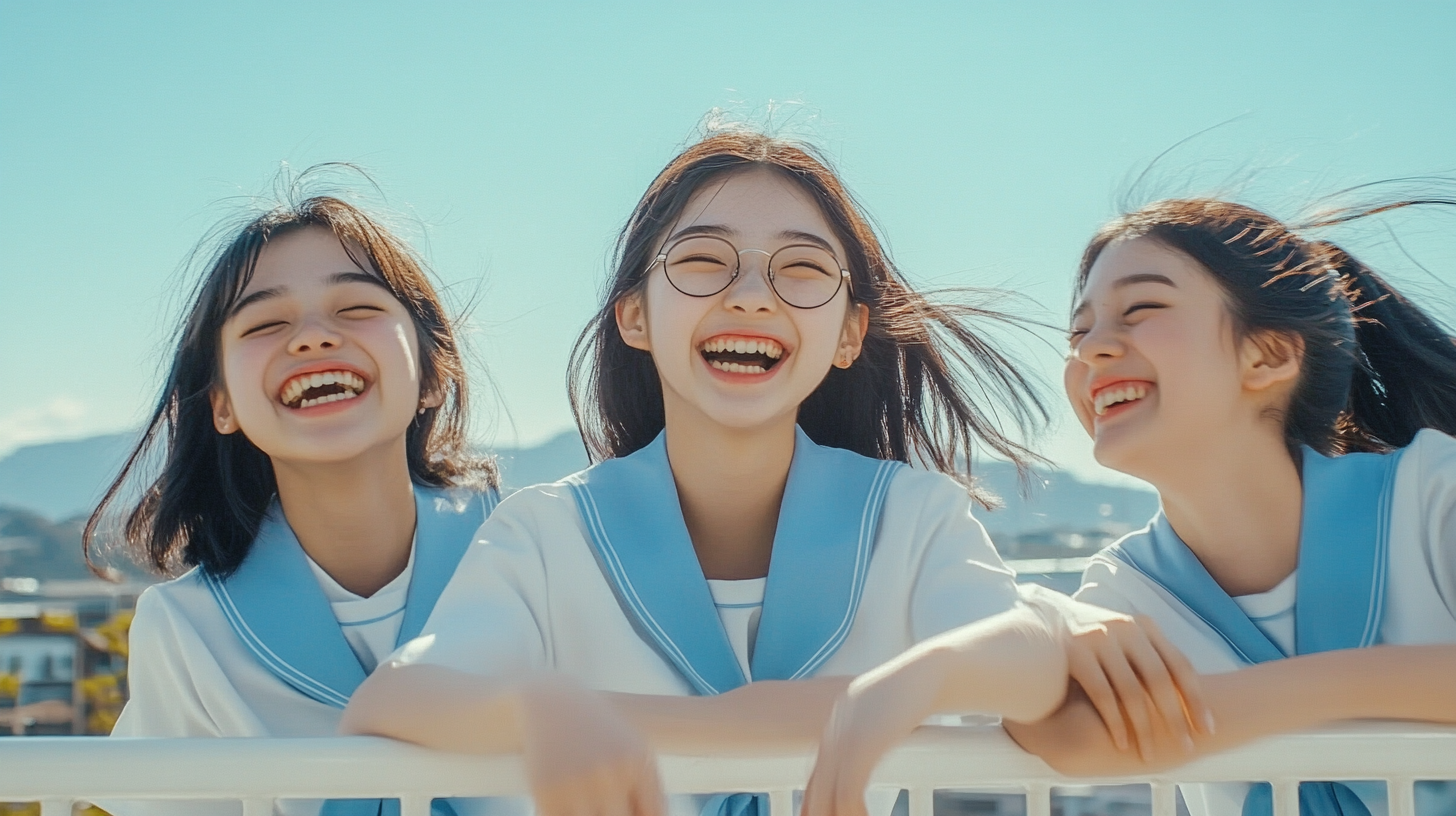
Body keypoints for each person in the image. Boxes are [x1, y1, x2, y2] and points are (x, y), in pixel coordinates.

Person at [341, 131, 1204, 816]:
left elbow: (1025, 665)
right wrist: (544, 707)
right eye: (704, 260)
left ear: (849, 332)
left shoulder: (914, 515)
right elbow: (398, 695)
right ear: (635, 315)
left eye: (799, 269)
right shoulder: (545, 530)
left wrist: (903, 686)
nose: (751, 296)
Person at [990, 197, 1456, 816]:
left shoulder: (1429, 493)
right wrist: (1040, 625)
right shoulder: (1124, 593)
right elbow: (1065, 737)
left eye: (1142, 308)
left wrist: (1236, 705)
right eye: (1079, 331)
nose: (1090, 349)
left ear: (1268, 356)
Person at [89, 189, 500, 816]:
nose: (312, 338)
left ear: (432, 370)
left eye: (357, 306)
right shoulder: (186, 631)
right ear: (220, 403)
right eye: (264, 323)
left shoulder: (544, 557)